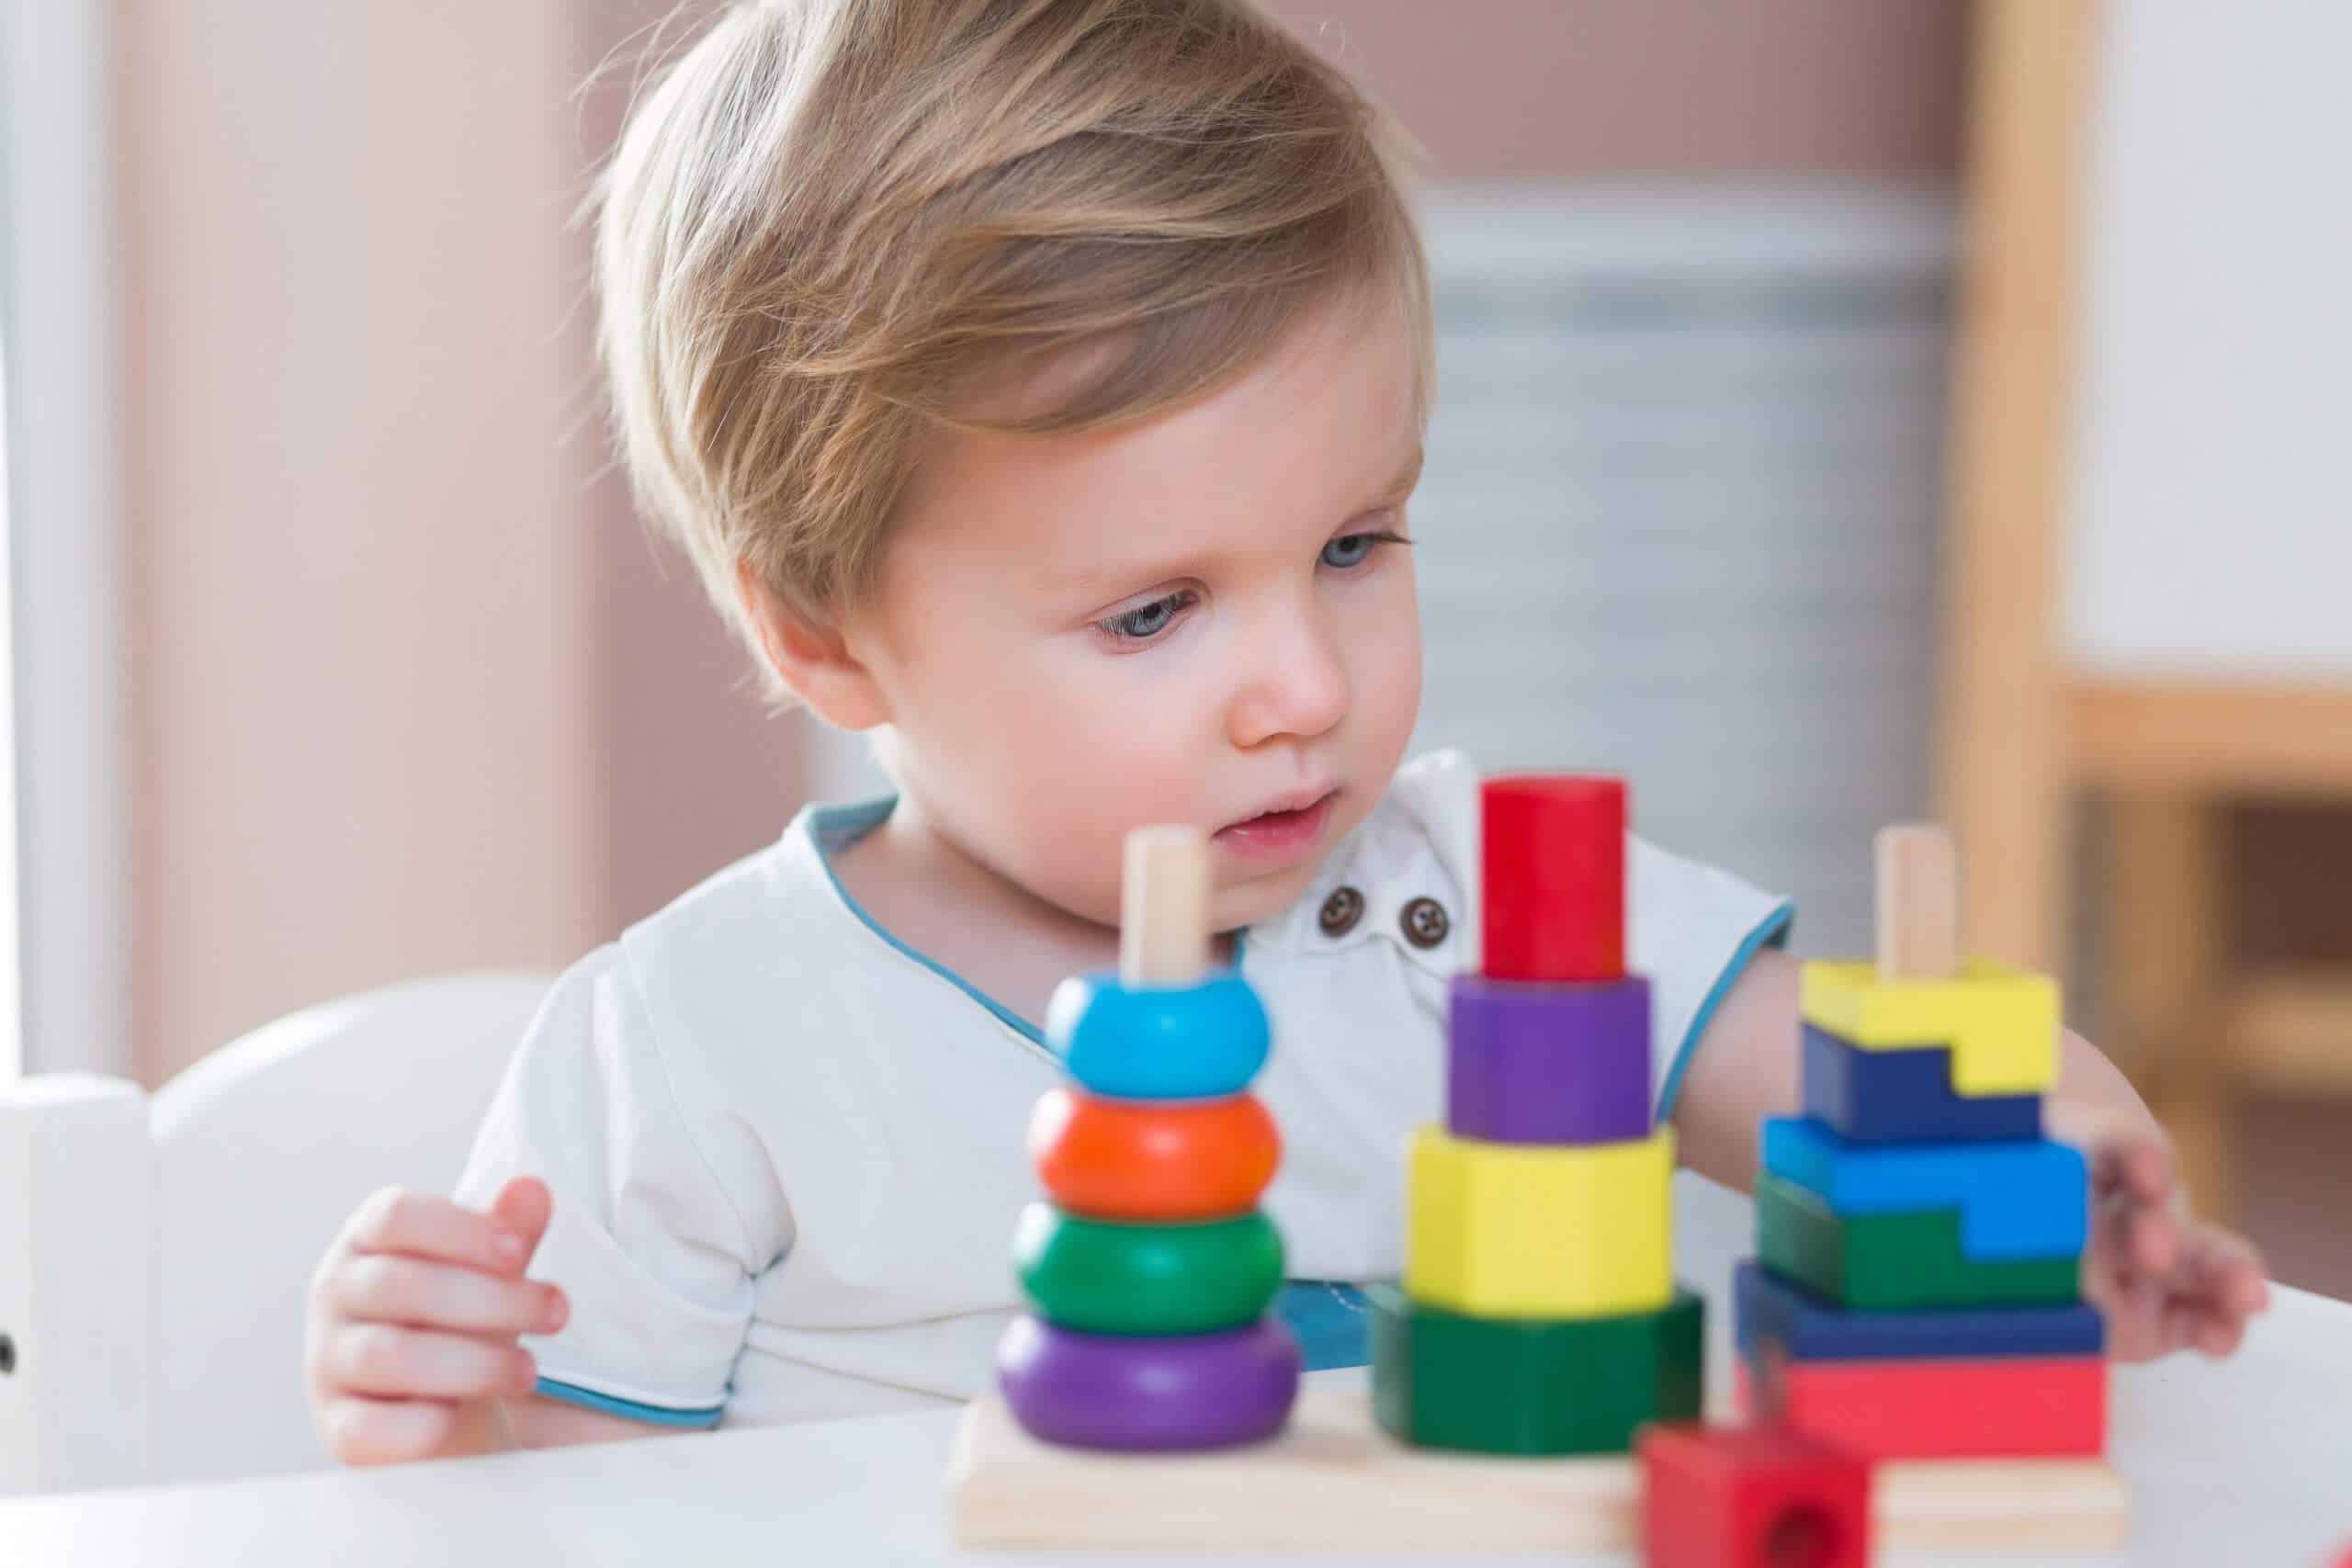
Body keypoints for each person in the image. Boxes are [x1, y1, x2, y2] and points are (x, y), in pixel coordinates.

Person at [302, 0, 2268, 1466]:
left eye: (1354, 542)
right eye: (1152, 611)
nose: (1306, 688)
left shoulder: (1476, 905)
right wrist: (463, 1419)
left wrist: (2060, 1172)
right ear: (823, 633)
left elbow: (1869, 1084)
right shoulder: (689, 1048)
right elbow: (584, 1514)